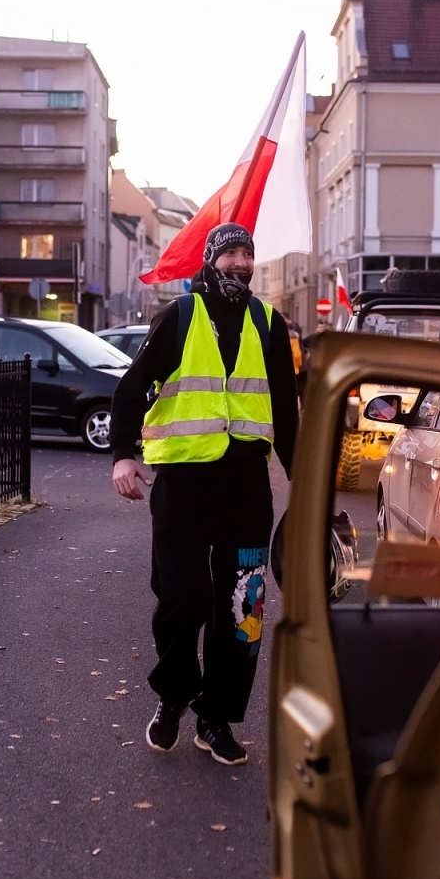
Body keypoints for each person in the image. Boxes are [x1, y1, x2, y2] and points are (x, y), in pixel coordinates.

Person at [110, 223, 299, 766]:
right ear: (212, 261)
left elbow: (285, 415)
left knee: (242, 612)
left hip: (244, 489)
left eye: (247, 254)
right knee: (183, 600)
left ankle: (215, 719)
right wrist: (124, 454)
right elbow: (130, 389)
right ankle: (173, 698)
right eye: (231, 253)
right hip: (184, 489)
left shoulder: (269, 324)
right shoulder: (180, 316)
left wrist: (307, 486)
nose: (240, 263)